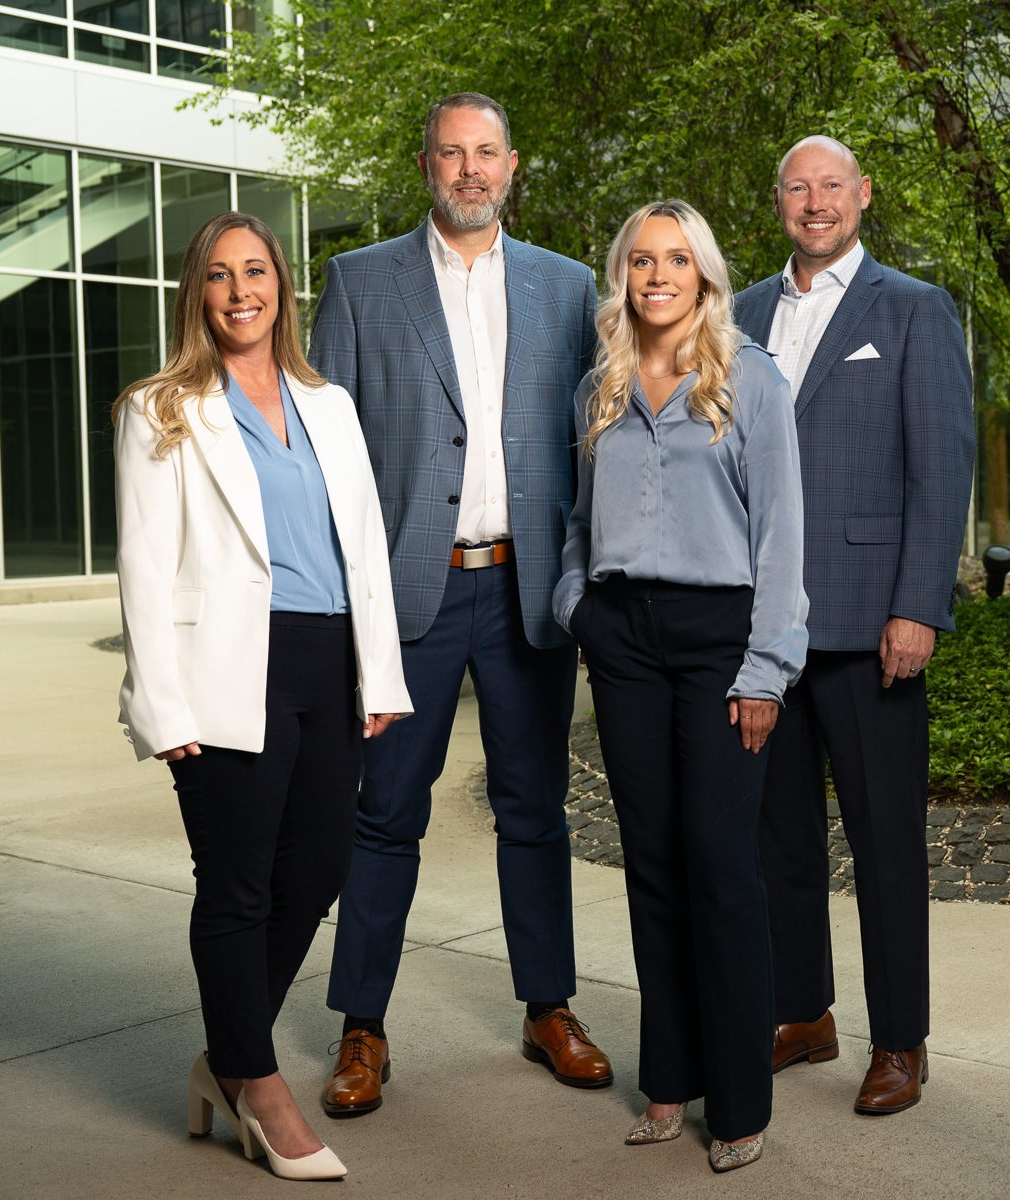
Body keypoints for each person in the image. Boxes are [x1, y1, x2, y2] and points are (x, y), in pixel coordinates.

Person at [307, 92, 612, 1116]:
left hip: (527, 594)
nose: (470, 171)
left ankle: (548, 1009)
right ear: (425, 164)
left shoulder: (570, 291)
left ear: (513, 165)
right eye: (452, 154)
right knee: (384, 815)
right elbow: (330, 462)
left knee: (536, 811)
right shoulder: (357, 284)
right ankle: (361, 1027)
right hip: (406, 597)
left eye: (487, 154)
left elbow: (593, 445)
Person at [113, 211, 411, 1180]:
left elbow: (361, 546)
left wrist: (381, 672)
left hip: (330, 664)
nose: (241, 290)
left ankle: (223, 1057)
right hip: (226, 671)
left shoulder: (326, 403)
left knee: (320, 869)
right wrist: (162, 705)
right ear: (196, 292)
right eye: (218, 275)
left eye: (256, 271)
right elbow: (144, 568)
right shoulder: (160, 407)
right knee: (237, 885)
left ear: (282, 285)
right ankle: (256, 1079)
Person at [554, 200, 807, 1173]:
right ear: (621, 275)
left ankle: (738, 1102)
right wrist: (578, 603)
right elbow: (580, 520)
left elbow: (782, 538)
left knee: (721, 869)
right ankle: (669, 1082)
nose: (657, 274)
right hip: (622, 639)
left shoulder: (753, 383)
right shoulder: (599, 387)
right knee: (651, 861)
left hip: (720, 642)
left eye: (677, 259)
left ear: (704, 275)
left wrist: (766, 669)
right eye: (640, 259)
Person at [734, 137, 975, 1115]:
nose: (815, 201)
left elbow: (942, 463)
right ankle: (804, 1013)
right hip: (764, 629)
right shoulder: (740, 311)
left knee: (884, 841)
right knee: (779, 837)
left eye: (832, 185)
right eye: (797, 186)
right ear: (780, 200)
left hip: (873, 623)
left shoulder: (912, 309)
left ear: (863, 197)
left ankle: (901, 1041)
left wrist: (918, 603)